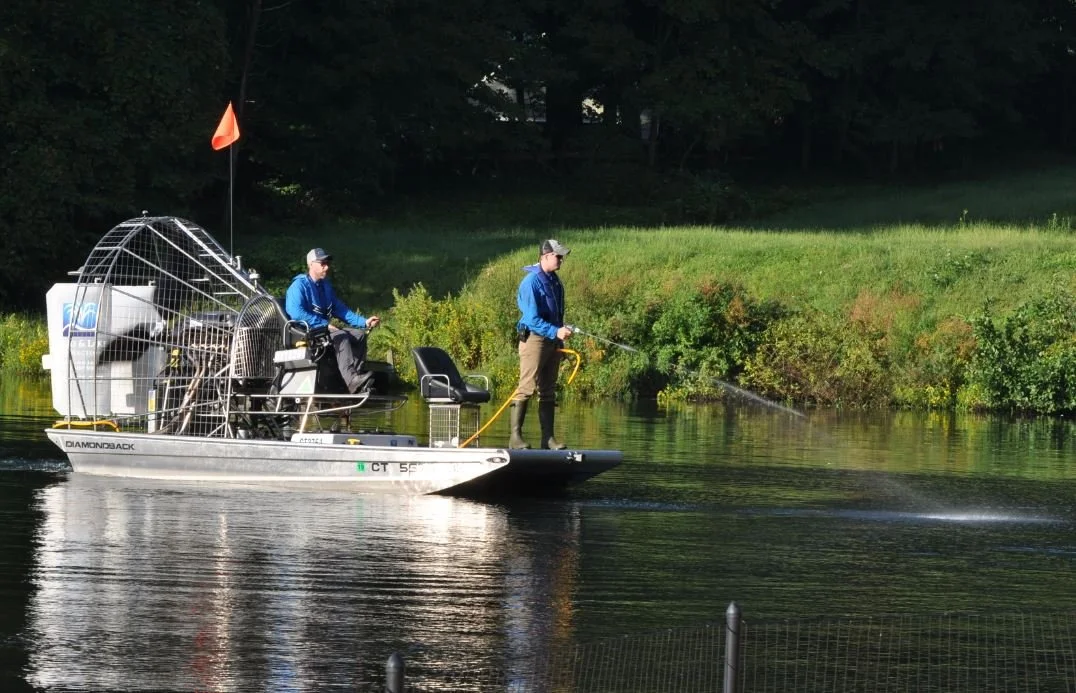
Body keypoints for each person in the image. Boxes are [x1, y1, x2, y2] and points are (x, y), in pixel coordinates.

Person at [285, 248, 381, 394]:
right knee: (341, 335)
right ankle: (351, 380)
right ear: (311, 264)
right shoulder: (298, 286)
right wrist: (324, 325)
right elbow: (296, 313)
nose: (327, 266)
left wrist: (364, 322)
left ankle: (355, 380)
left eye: (327, 263)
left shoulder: (326, 286)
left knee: (359, 335)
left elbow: (339, 309)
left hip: (324, 330)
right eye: (322, 263)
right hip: (308, 333)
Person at [510, 239, 574, 450]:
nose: (561, 260)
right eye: (558, 256)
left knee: (548, 390)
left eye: (561, 256)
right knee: (526, 388)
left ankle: (548, 439)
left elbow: (556, 314)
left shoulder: (555, 282)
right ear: (545, 256)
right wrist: (555, 331)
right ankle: (515, 438)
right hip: (533, 339)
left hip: (552, 340)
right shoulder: (530, 283)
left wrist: (560, 334)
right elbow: (531, 318)